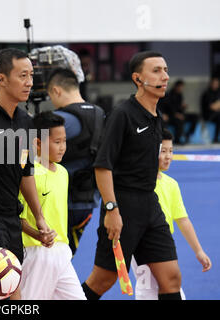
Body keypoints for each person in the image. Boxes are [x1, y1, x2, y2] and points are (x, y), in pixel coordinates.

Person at [81, 51, 183, 300]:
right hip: (122, 205)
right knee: (104, 279)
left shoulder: (157, 117)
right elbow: (102, 166)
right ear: (138, 79)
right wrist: (112, 209)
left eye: (166, 70)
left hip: (150, 204)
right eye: (157, 70)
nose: (165, 76)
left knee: (171, 278)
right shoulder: (122, 114)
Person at [0, 48, 50, 298]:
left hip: (11, 219)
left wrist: (39, 217)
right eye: (23, 75)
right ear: (0, 77)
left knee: (13, 293)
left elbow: (26, 171)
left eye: (31, 75)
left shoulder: (25, 121)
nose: (30, 82)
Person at [131, 129, 212, 300]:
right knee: (149, 291)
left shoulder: (172, 184)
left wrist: (198, 251)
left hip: (164, 246)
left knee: (169, 290)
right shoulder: (137, 183)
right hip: (141, 245)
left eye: (171, 151)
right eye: (163, 151)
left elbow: (183, 220)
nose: (168, 156)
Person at [19, 111, 86, 300]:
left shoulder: (63, 172)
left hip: (62, 251)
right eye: (57, 142)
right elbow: (16, 217)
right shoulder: (29, 174)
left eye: (64, 141)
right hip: (35, 252)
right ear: (38, 143)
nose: (63, 147)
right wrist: (37, 235)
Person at [46, 66, 104, 256]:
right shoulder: (101, 115)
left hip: (60, 202)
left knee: (50, 259)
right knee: (66, 256)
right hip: (89, 199)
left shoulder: (62, 119)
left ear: (56, 90)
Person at [200, 77, 220, 143]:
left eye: (217, 84)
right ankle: (215, 138)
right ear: (211, 84)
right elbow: (212, 107)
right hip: (208, 115)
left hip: (215, 113)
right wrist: (217, 105)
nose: (216, 85)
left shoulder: (217, 93)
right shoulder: (207, 93)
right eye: (214, 83)